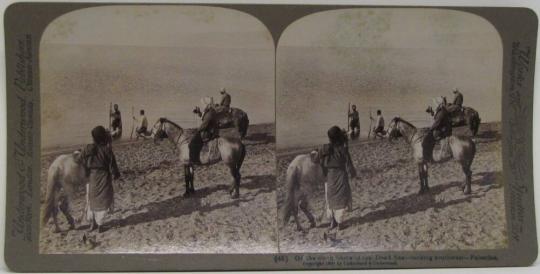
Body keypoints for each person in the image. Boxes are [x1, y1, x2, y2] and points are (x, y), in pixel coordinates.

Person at [78, 126, 120, 233]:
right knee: (104, 201)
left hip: (92, 178)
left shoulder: (87, 148)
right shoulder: (106, 150)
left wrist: (86, 173)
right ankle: (100, 226)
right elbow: (113, 166)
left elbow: (80, 161)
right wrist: (116, 176)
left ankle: (93, 224)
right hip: (104, 178)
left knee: (92, 201)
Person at [319, 126, 357, 236]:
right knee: (341, 199)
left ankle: (332, 222)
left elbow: (320, 160)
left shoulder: (324, 148)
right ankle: (340, 224)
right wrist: (353, 173)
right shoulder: (342, 148)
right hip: (340, 175)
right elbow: (348, 162)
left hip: (329, 176)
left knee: (330, 199)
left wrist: (324, 172)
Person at [189, 97, 218, 164]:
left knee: (192, 144)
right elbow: (203, 116)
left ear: (207, 105)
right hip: (206, 130)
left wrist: (196, 131)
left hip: (207, 132)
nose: (202, 106)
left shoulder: (210, 112)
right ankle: (196, 160)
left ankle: (195, 161)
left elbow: (204, 124)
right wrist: (198, 112)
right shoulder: (209, 111)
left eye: (203, 104)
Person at [422, 98, 452, 162]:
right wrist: (432, 112)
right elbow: (436, 118)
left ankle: (428, 158)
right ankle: (429, 157)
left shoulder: (441, 112)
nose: (434, 105)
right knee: (428, 138)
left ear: (439, 104)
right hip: (443, 129)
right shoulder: (441, 110)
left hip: (442, 130)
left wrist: (430, 130)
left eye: (435, 104)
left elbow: (437, 122)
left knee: (426, 141)